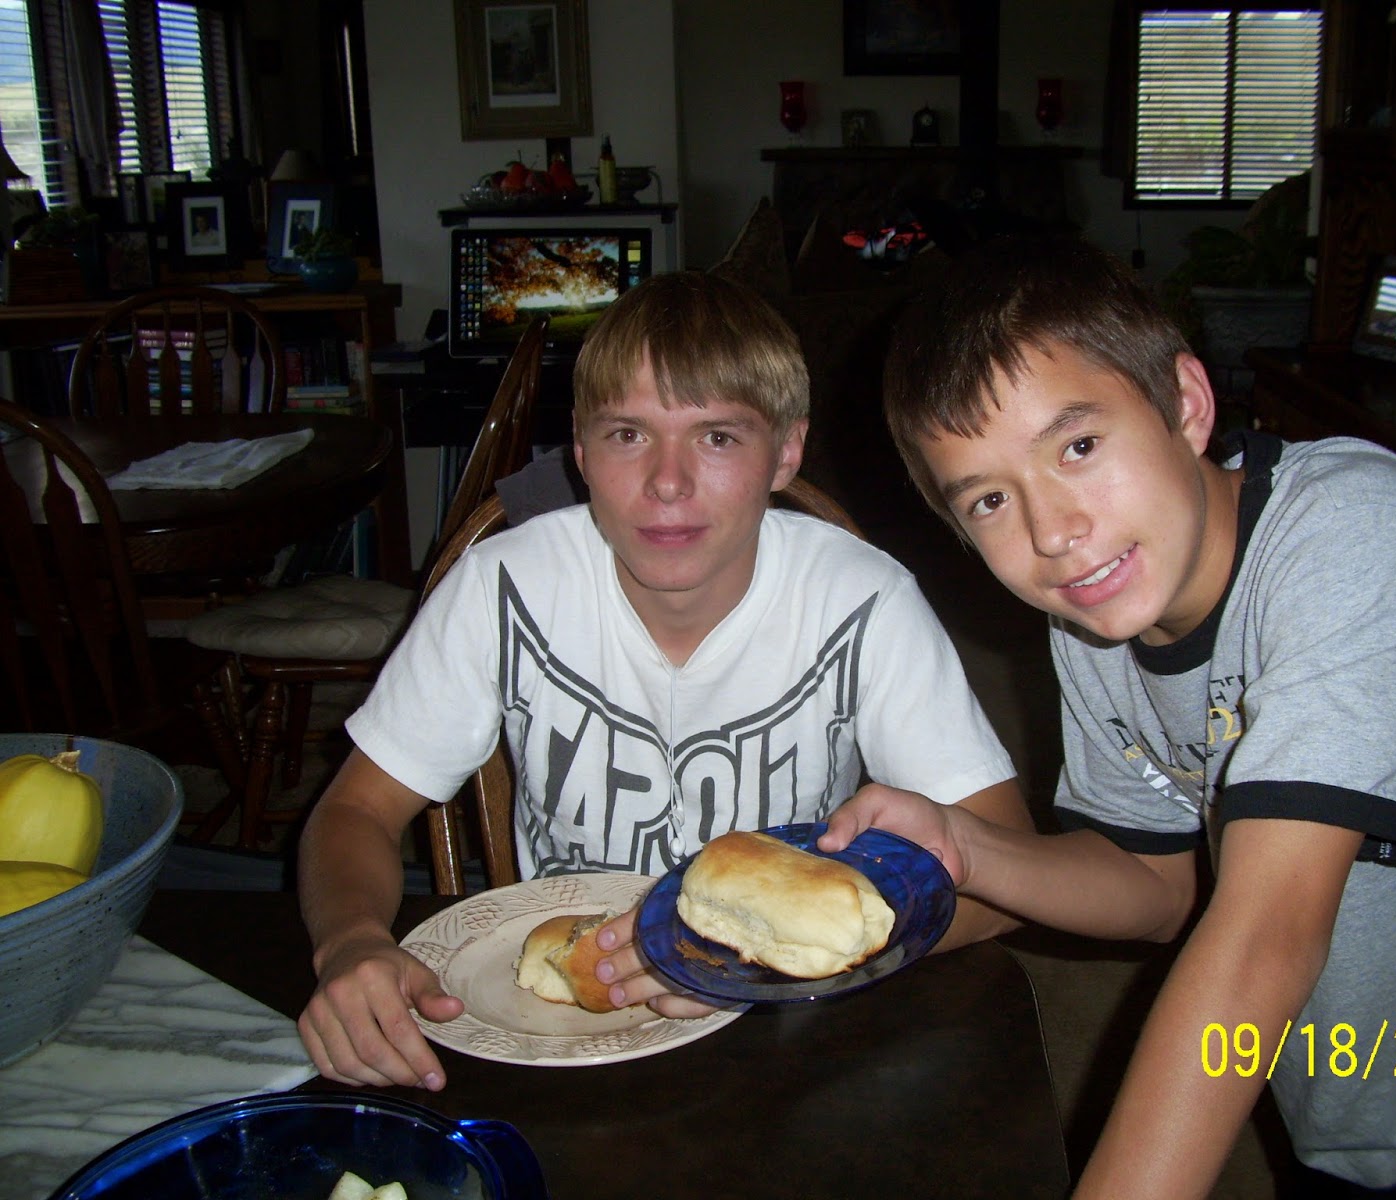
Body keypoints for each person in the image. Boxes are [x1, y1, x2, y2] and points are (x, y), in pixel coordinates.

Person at [819, 235, 1396, 1197]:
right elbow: (1156, 886)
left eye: (1078, 447)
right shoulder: (1099, 617)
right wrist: (966, 847)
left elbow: (1264, 936)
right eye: (988, 500)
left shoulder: (1353, 536)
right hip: (1340, 1106)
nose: (1053, 532)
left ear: (1187, 403)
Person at [297, 270, 1031, 1091]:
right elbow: (356, 810)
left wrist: (772, 967)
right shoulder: (500, 588)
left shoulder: (863, 600)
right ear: (580, 451)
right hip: (568, 1024)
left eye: (717, 437)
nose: (668, 481)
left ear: (787, 451)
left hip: (788, 1030)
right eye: (627, 434)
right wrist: (350, 941)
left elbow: (1006, 877)